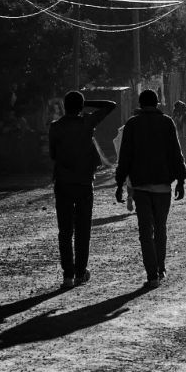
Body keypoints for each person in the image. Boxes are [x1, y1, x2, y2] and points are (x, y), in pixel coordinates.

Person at [114, 89, 186, 289]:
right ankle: (161, 267)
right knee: (160, 228)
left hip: (142, 188)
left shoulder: (132, 125)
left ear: (139, 104)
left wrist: (120, 183)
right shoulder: (167, 122)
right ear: (157, 104)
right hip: (163, 187)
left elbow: (125, 157)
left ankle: (152, 275)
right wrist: (181, 180)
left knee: (146, 232)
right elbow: (176, 153)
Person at [49, 90, 117, 289]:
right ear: (80, 107)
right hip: (84, 183)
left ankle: (67, 276)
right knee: (83, 230)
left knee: (65, 230)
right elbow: (111, 105)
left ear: (64, 106)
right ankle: (80, 272)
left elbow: (53, 154)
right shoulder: (87, 122)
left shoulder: (55, 127)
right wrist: (86, 102)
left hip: (63, 182)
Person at [172, 100, 186, 172]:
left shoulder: (183, 113)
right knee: (183, 152)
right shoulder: (183, 113)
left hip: (181, 135)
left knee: (184, 152)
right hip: (179, 135)